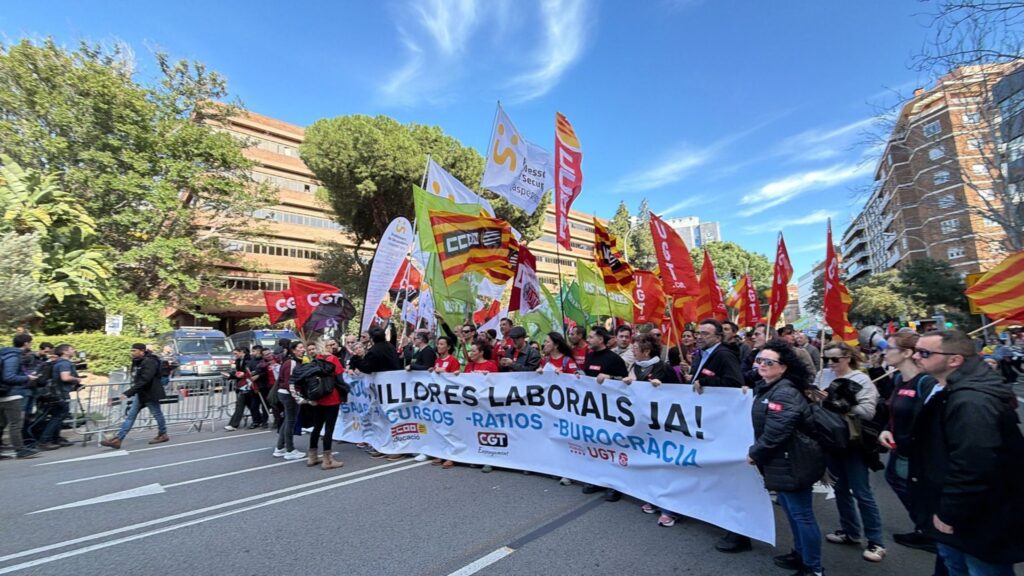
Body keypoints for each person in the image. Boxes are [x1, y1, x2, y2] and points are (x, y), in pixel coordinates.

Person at [911, 330, 1024, 575]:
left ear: (955, 360)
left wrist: (949, 512)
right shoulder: (950, 390)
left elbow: (974, 463)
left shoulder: (971, 402)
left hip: (978, 518)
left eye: (924, 353)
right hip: (961, 513)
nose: (916, 357)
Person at [748, 339, 825, 576]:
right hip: (782, 460)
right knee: (792, 512)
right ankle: (800, 553)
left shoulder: (784, 392)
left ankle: (813, 567)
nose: (762, 365)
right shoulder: (770, 386)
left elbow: (777, 431)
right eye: (759, 360)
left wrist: (755, 453)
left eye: (769, 362)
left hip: (793, 461)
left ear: (783, 367)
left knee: (801, 514)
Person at [815, 341, 886, 562]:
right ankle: (850, 532)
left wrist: (840, 403)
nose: (830, 364)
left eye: (835, 359)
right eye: (827, 359)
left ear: (848, 358)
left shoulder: (862, 379)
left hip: (852, 442)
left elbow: (867, 411)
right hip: (829, 440)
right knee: (840, 489)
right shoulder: (822, 375)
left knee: (862, 492)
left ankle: (876, 542)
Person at [873, 331, 940, 554]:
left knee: (915, 489)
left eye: (889, 348)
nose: (884, 352)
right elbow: (891, 410)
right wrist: (885, 430)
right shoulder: (899, 379)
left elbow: (931, 420)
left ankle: (931, 530)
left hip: (916, 453)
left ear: (907, 353)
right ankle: (925, 527)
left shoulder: (926, 383)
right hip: (898, 448)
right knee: (898, 481)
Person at [690, 319, 749, 553]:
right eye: (698, 332)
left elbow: (735, 384)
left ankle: (740, 533)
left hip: (725, 426)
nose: (699, 336)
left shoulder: (724, 355)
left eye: (705, 333)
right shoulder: (701, 354)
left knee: (731, 479)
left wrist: (705, 381)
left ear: (717, 337)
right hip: (709, 424)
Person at [627, 332, 682, 527]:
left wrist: (663, 388)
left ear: (647, 350)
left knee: (665, 466)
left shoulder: (664, 368)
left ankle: (671, 509)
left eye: (636, 348)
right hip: (644, 423)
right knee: (649, 462)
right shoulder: (634, 366)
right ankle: (653, 497)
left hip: (664, 425)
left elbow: (680, 394)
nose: (633, 350)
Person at [580, 326, 628, 501]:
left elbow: (626, 383)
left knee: (611, 448)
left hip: (611, 412)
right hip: (592, 409)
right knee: (594, 446)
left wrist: (610, 378)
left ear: (601, 339)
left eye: (592, 337)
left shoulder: (614, 359)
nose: (589, 340)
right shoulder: (590, 355)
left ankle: (615, 485)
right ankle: (597, 480)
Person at [350, 327, 404, 461]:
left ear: (372, 339)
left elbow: (367, 368)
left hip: (384, 387)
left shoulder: (374, 351)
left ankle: (396, 448)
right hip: (393, 386)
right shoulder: (390, 346)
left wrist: (356, 360)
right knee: (387, 417)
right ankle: (385, 446)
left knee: (387, 418)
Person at [101, 344, 168, 449]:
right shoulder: (138, 361)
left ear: (142, 351)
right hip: (141, 393)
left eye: (134, 350)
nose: (132, 352)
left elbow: (145, 380)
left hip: (150, 393)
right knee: (130, 416)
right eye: (131, 350)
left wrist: (128, 392)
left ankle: (163, 434)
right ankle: (118, 439)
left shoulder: (149, 361)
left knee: (157, 414)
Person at [305, 347, 344, 470]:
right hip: (332, 397)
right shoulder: (333, 359)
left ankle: (312, 456)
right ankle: (327, 460)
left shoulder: (315, 361)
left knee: (317, 427)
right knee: (329, 428)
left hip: (319, 397)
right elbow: (339, 378)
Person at [0, 333, 38, 459]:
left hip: (4, 393)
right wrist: (27, 377)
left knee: (2, 423)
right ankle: (20, 450)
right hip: (10, 394)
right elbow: (9, 376)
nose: (31, 345)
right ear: (26, 343)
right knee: (15, 423)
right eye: (30, 343)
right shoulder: (14, 357)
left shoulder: (5, 354)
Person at [37, 343, 81, 449]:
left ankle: (55, 438)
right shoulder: (64, 363)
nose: (74, 350)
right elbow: (65, 377)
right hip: (61, 393)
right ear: (65, 352)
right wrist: (77, 380)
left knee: (58, 416)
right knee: (58, 417)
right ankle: (45, 440)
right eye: (71, 349)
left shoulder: (57, 363)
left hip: (56, 393)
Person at [429, 336, 460, 469]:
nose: (439, 346)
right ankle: (442, 452)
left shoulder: (453, 360)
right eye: (438, 344)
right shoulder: (437, 360)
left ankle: (452, 456)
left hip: (450, 398)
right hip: (439, 399)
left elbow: (457, 377)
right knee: (440, 426)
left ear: (448, 347)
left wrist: (446, 372)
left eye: (442, 344)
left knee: (451, 427)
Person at [272, 341, 306, 460]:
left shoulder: (293, 361)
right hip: (289, 395)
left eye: (303, 347)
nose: (303, 349)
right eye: (300, 347)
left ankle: (280, 447)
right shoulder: (291, 362)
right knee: (291, 421)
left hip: (287, 394)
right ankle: (290, 450)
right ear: (294, 350)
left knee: (287, 421)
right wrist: (297, 397)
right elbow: (289, 382)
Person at [223, 347, 253, 431]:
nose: (235, 355)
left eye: (236, 353)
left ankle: (233, 424)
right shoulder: (238, 361)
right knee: (249, 405)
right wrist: (231, 375)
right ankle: (258, 419)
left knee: (240, 405)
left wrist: (235, 375)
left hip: (248, 385)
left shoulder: (249, 360)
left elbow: (245, 373)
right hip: (241, 385)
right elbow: (237, 372)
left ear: (242, 352)